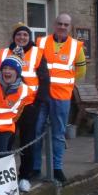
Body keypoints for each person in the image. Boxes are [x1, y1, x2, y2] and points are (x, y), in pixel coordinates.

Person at [32, 14, 86, 184]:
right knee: (36, 131)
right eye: (60, 23)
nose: (62, 27)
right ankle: (35, 167)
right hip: (42, 95)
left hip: (62, 97)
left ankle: (57, 169)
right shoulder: (41, 42)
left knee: (58, 134)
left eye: (66, 24)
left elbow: (80, 72)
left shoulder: (76, 47)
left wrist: (67, 85)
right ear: (54, 25)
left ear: (70, 27)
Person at [0, 23, 49, 192]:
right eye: (19, 35)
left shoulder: (38, 53)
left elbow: (44, 80)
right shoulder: (4, 53)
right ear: (14, 37)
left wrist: (38, 103)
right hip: (8, 106)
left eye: (25, 35)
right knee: (7, 141)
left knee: (27, 141)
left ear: (29, 37)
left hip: (29, 105)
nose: (22, 37)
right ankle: (6, 176)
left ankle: (25, 176)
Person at [0, 56, 31, 158]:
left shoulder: (25, 91)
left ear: (17, 72)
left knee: (1, 157)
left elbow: (19, 112)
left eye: (11, 69)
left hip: (5, 128)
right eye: (5, 68)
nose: (7, 71)